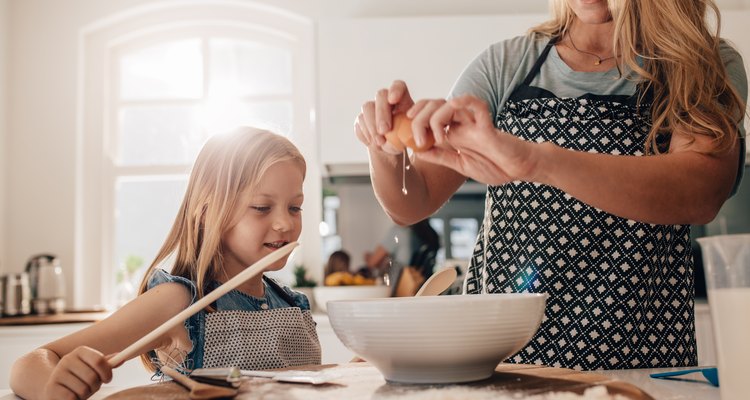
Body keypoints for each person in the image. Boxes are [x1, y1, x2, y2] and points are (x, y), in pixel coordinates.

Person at [354, 0, 747, 371]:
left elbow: (700, 191)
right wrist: (387, 148)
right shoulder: (507, 64)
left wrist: (537, 160)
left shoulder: (698, 64)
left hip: (637, 359)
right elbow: (410, 203)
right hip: (502, 357)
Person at [10, 127, 321, 399]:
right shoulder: (179, 302)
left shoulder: (290, 303)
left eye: (295, 207)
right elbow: (31, 363)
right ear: (208, 210)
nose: (284, 223)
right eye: (262, 207)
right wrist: (54, 387)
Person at [364, 218, 440, 278]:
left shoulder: (399, 231)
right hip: (425, 287)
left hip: (402, 290)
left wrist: (367, 256)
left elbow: (372, 263)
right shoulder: (432, 235)